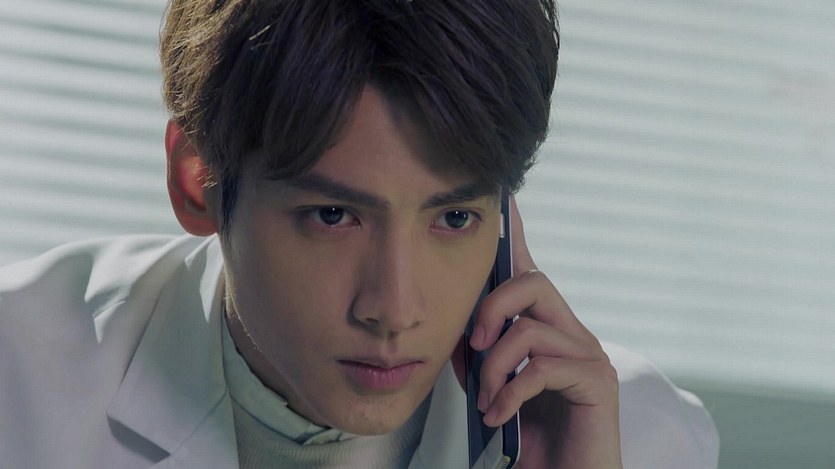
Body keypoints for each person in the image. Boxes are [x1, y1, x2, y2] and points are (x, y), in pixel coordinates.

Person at [0, 0, 718, 467]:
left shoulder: (632, 438)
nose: (394, 309)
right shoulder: (18, 380)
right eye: (332, 216)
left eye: (453, 218)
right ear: (198, 181)